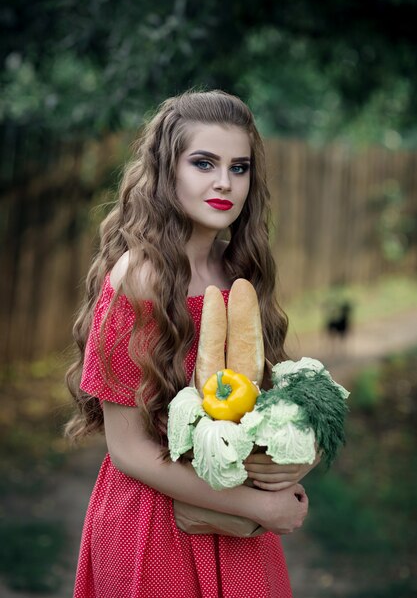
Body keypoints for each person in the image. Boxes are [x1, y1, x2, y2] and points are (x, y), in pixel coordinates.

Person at [66, 90, 315, 598]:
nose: (224, 182)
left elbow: (255, 407)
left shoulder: (239, 274)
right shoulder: (140, 278)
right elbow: (128, 448)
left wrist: (293, 463)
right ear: (167, 170)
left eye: (239, 167)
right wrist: (257, 506)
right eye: (204, 163)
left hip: (236, 523)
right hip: (154, 522)